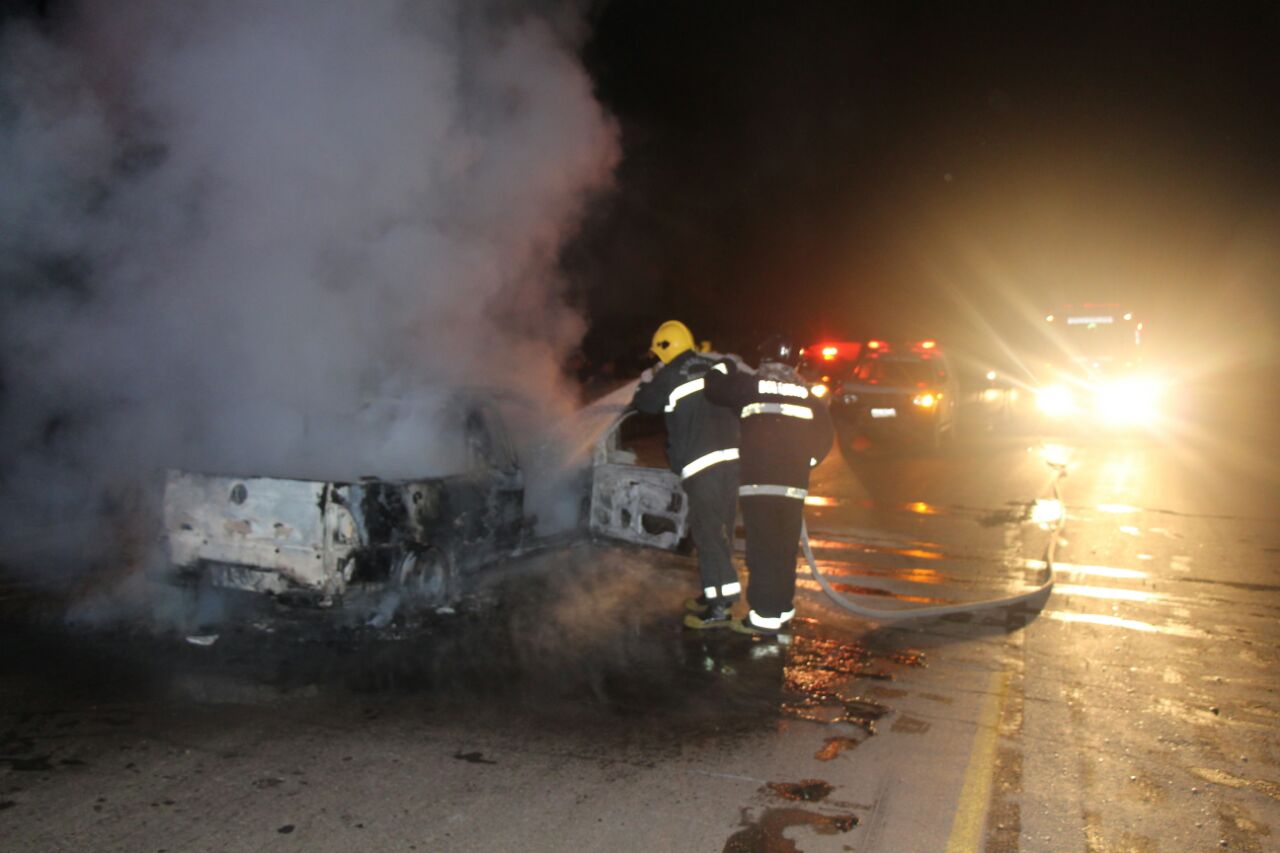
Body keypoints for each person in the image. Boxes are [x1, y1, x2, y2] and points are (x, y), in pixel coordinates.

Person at [704, 333, 833, 636]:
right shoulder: (807, 394)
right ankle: (781, 609)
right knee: (783, 551)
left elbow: (713, 389)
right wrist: (804, 463)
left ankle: (763, 617)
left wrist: (725, 364)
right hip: (793, 489)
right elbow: (826, 435)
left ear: (765, 359)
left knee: (762, 552)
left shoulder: (751, 386)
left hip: (759, 486)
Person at [631, 320, 743, 628]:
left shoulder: (669, 374)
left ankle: (719, 609)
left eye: (659, 354)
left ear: (666, 348)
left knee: (708, 534)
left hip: (703, 466)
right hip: (731, 463)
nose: (658, 359)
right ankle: (713, 592)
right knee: (720, 531)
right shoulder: (711, 366)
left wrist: (646, 380)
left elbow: (645, 403)